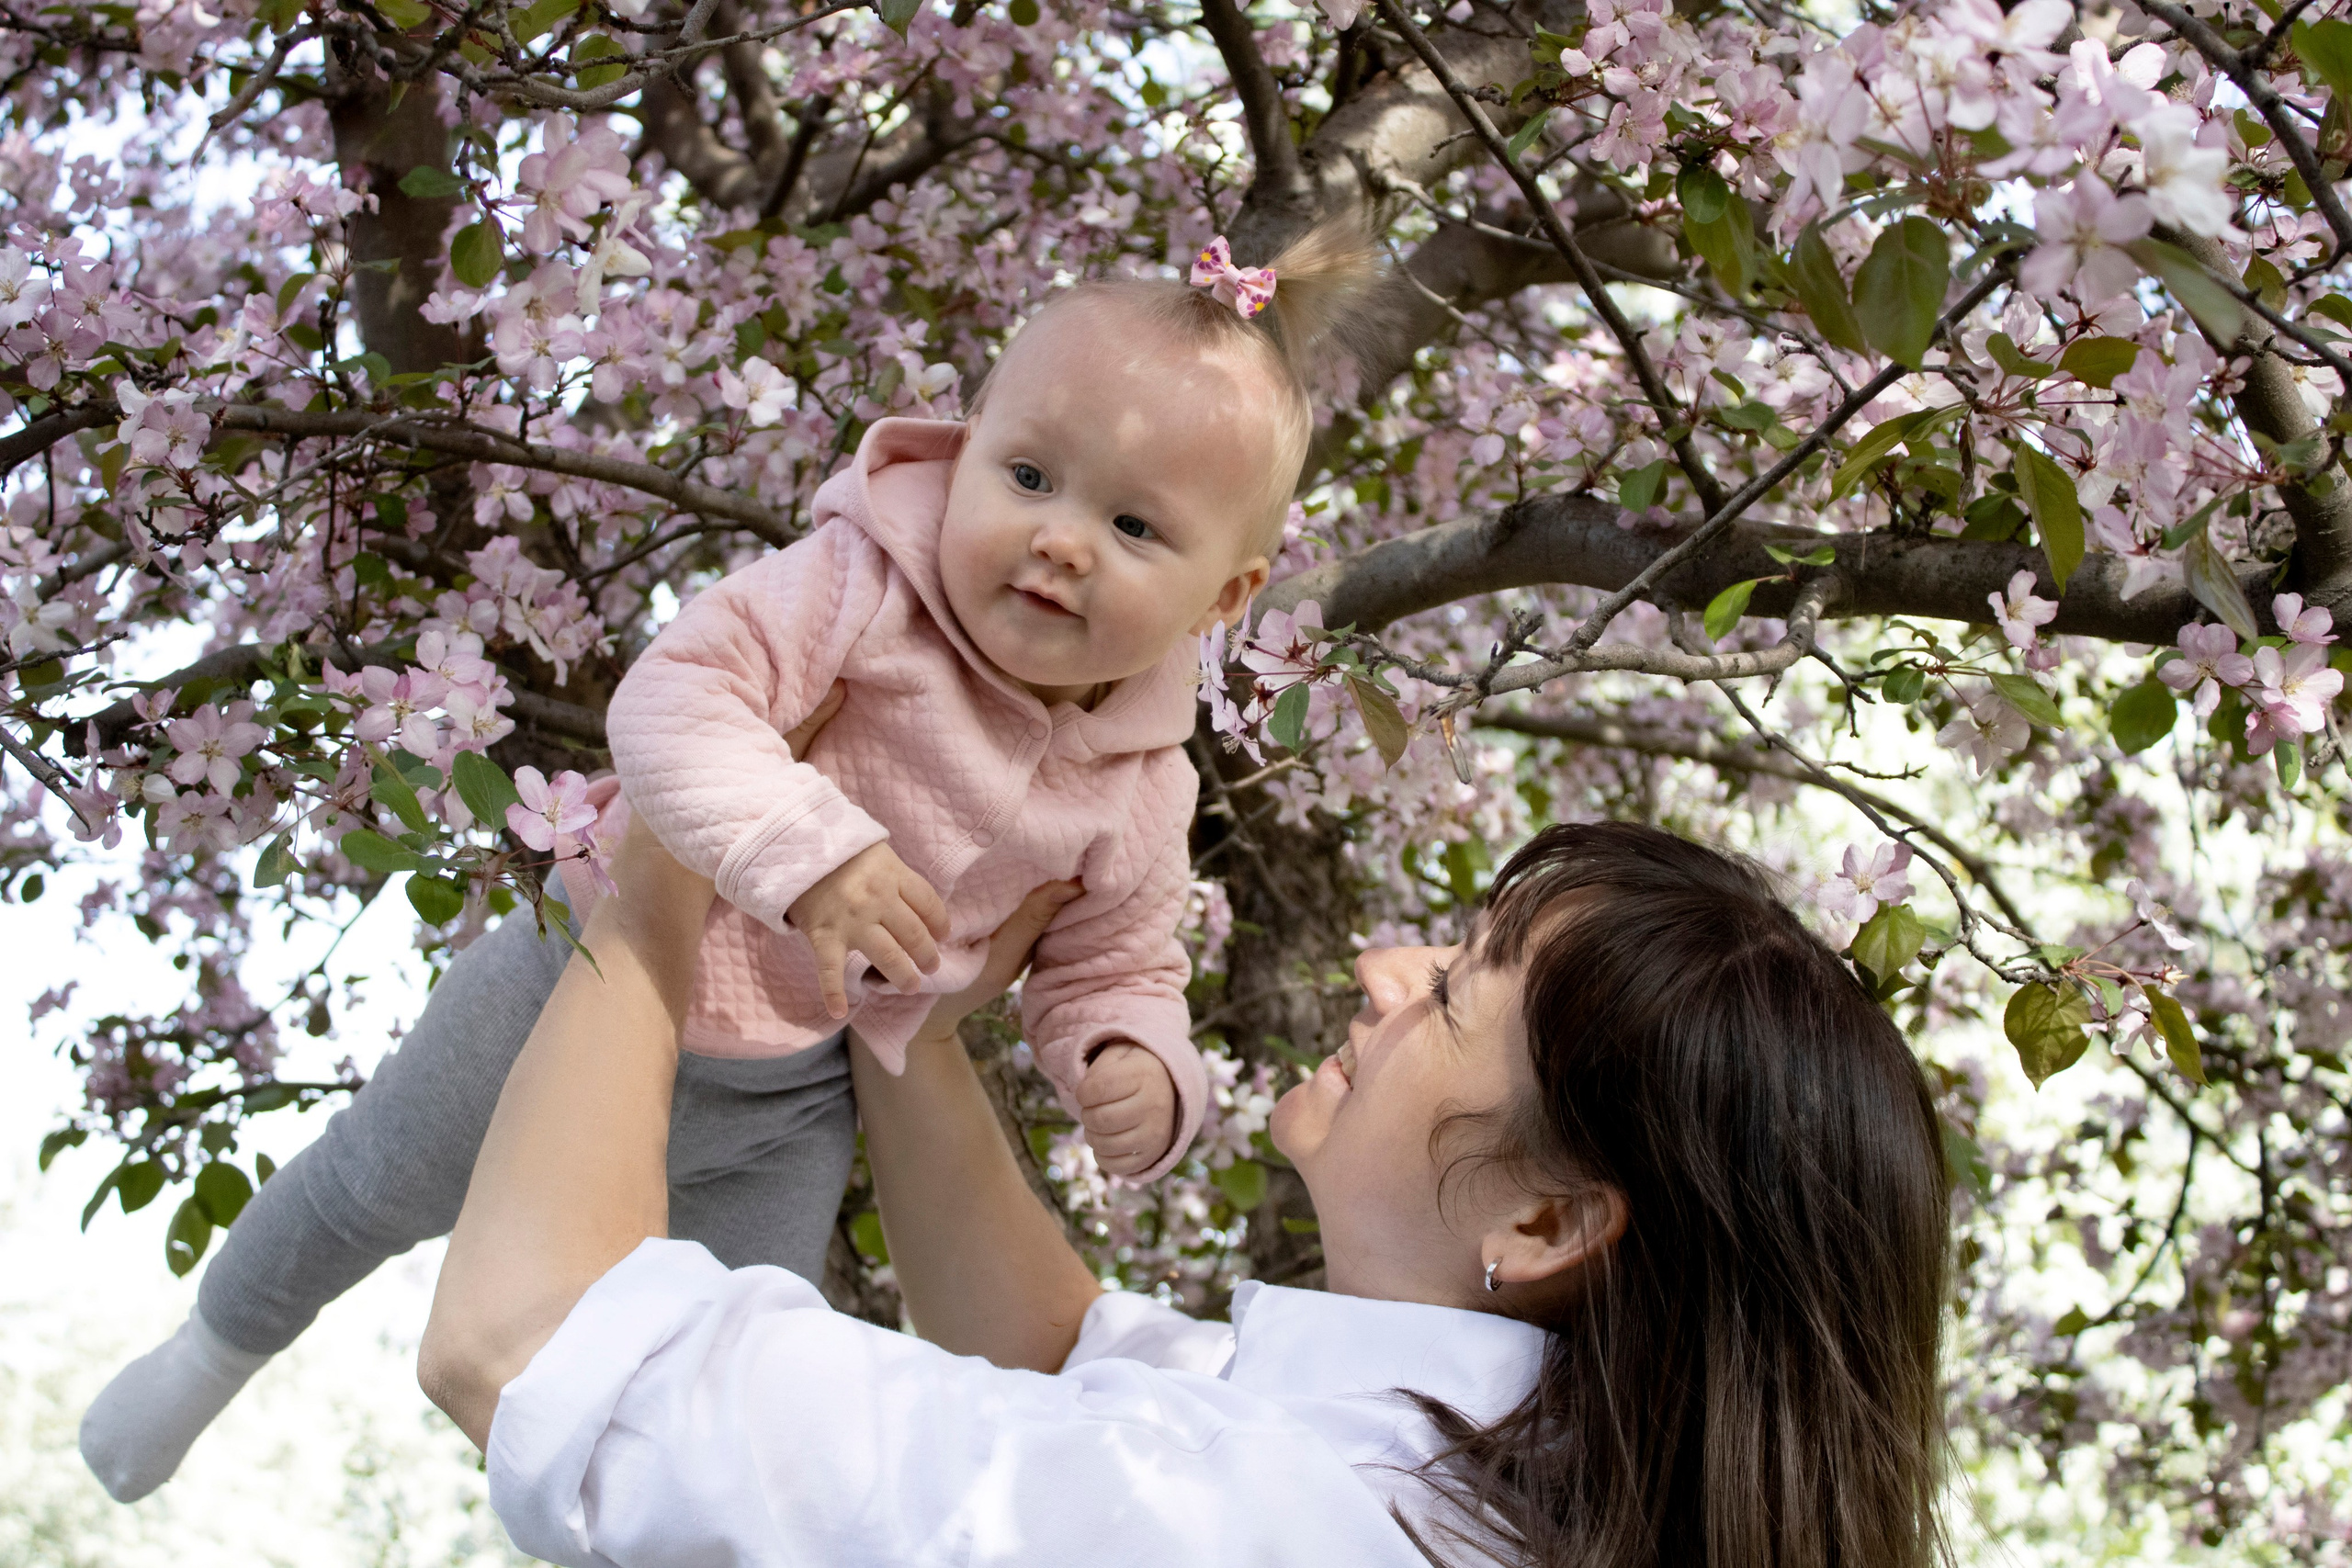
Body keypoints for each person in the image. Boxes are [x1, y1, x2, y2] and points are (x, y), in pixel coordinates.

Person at [79, 223, 1379, 1503]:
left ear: (1226, 597)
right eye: (1030, 477)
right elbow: (673, 702)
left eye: (1136, 527)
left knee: (742, 1355)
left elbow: (1114, 957)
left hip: (796, 1096)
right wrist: (810, 855)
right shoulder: (855, 585)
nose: (1062, 539)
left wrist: (1131, 1057)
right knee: (368, 1186)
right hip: (574, 987)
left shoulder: (1147, 785)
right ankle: (214, 1349)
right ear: (965, 446)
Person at [419, 816, 1955, 1568]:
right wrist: (913, 1021)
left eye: (1460, 990)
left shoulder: (1275, 1529)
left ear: (1547, 1223)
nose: (1383, 971)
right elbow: (1061, 1356)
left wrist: (671, 863)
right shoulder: (1458, 1495)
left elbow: (524, 1341)